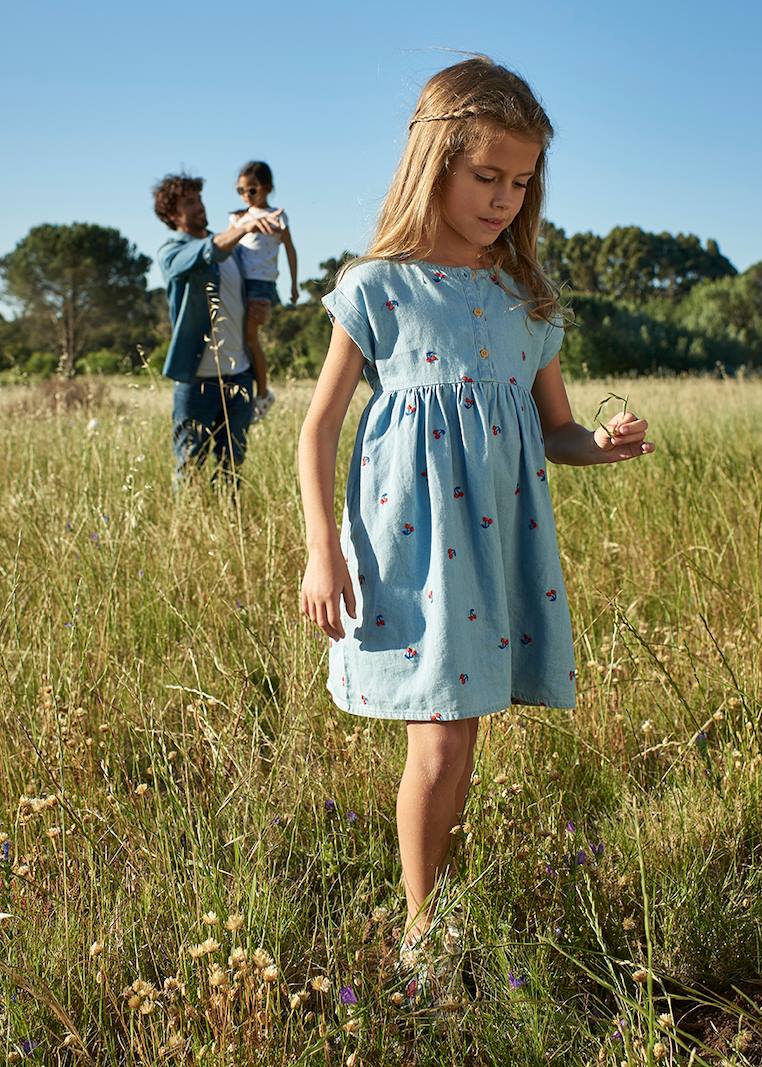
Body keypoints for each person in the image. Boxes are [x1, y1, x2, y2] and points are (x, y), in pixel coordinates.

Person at [297, 57, 655, 1000]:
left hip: (495, 546)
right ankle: (422, 941)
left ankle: (436, 908)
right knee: (442, 743)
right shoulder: (379, 287)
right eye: (485, 175)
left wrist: (600, 444)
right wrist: (319, 548)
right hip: (410, 552)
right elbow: (318, 427)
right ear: (433, 164)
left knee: (464, 740)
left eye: (521, 181)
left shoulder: (526, 298)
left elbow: (556, 430)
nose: (504, 198)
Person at [152, 173, 281, 485]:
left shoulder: (234, 251)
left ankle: (228, 531)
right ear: (172, 215)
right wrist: (239, 229)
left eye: (199, 199)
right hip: (195, 381)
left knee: (231, 471)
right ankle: (188, 532)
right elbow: (205, 251)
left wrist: (262, 309)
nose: (199, 207)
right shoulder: (172, 252)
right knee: (189, 473)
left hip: (239, 377)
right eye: (189, 203)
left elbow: (253, 289)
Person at [229, 160, 299, 420]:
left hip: (261, 283)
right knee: (237, 337)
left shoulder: (277, 216)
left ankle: (263, 393)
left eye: (252, 190)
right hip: (237, 281)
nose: (246, 196)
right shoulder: (238, 218)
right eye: (241, 191)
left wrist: (293, 284)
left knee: (250, 336)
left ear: (267, 188)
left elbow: (290, 250)